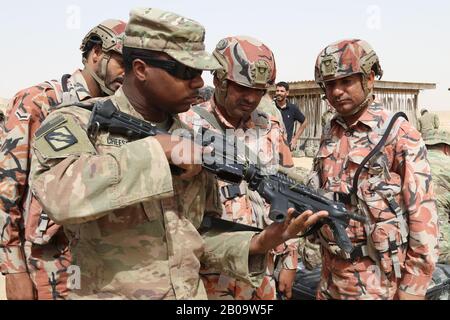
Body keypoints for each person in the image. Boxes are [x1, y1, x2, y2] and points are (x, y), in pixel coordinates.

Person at [28, 8, 327, 300]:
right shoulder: (79, 121)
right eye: (186, 72)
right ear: (142, 69)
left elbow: (198, 233)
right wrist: (158, 151)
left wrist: (260, 241)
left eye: (200, 73)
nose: (198, 83)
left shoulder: (191, 139)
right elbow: (59, 196)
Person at [0, 19, 126, 300]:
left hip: (106, 265)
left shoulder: (119, 113)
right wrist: (14, 270)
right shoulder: (40, 102)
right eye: (122, 62)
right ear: (96, 53)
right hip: (49, 266)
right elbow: (6, 190)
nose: (127, 73)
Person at [310, 39, 438, 300]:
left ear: (369, 79)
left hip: (379, 284)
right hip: (330, 278)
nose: (336, 92)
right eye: (330, 84)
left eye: (346, 82)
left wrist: (413, 288)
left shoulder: (399, 134)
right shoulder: (329, 132)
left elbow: (423, 216)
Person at [179, 35, 297, 300]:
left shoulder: (269, 128)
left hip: (259, 274)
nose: (251, 98)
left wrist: (289, 258)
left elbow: (285, 193)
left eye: (259, 90)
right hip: (206, 275)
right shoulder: (185, 127)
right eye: (242, 88)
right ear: (218, 79)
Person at [423, 129, 450, 265]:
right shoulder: (447, 163)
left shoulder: (410, 163)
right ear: (446, 148)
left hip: (411, 246)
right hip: (443, 248)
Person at [274, 82, 307, 150]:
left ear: (287, 93)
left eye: (282, 91)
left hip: (286, 147)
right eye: (277, 91)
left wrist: (295, 139)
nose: (279, 93)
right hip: (271, 146)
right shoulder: (271, 107)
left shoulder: (293, 108)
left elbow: (304, 122)